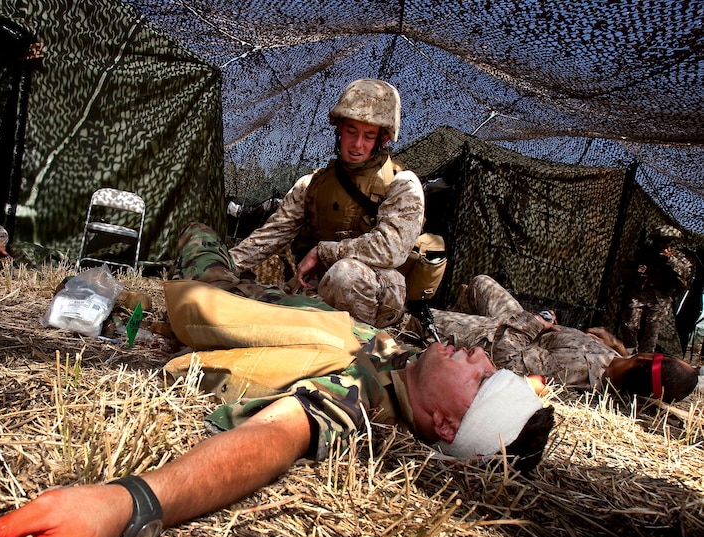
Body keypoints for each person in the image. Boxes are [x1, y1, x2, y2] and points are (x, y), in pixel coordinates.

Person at [0, 222, 555, 537]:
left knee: (198, 235)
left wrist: (130, 504)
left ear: (445, 427)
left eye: (481, 380)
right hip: (261, 298)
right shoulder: (399, 360)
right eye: (485, 360)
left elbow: (275, 436)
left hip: (221, 297)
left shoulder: (362, 400)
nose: (477, 356)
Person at [228, 78, 425, 328]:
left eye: (368, 136)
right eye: (351, 131)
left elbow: (391, 249)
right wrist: (223, 264)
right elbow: (271, 235)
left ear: (382, 140)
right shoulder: (312, 184)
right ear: (339, 129)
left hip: (378, 295)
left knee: (346, 274)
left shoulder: (402, 184)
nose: (357, 144)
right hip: (321, 289)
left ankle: (360, 345)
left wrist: (323, 251)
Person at [432, 274, 700, 403]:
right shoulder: (616, 362)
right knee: (481, 284)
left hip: (498, 338)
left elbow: (508, 364)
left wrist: (534, 323)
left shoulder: (577, 371)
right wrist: (615, 344)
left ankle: (445, 339)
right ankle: (450, 332)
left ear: (644, 358)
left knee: (421, 317)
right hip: (527, 327)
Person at [619, 225, 694, 354]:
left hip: (661, 296)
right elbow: (622, 271)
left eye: (668, 241)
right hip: (640, 292)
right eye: (662, 241)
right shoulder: (642, 253)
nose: (665, 244)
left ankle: (644, 357)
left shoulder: (677, 256)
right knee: (629, 324)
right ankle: (630, 352)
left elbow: (685, 272)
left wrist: (670, 260)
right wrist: (635, 272)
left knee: (652, 329)